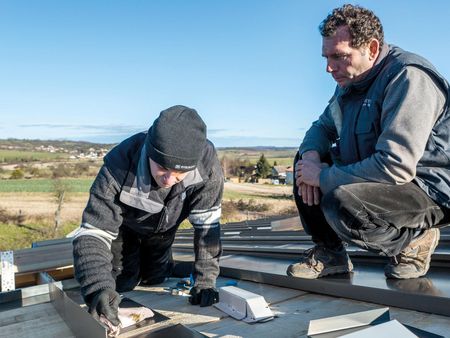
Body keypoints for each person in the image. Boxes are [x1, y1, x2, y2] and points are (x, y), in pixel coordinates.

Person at [287, 4, 450, 280]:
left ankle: (416, 241)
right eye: (326, 57)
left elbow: (396, 167)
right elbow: (321, 127)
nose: (328, 67)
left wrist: (324, 177)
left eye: (339, 56)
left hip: (428, 188)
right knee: (304, 162)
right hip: (383, 181)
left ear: (372, 49)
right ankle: (331, 253)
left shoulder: (408, 77)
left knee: (341, 202)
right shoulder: (349, 85)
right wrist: (312, 158)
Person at [73, 105, 223, 326]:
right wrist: (97, 289)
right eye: (163, 167)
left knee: (156, 277)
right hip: (126, 230)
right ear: (150, 150)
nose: (170, 180)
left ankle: (163, 266)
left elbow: (207, 229)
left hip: (164, 231)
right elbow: (93, 233)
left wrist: (206, 281)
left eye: (181, 172)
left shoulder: (207, 166)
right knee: (123, 284)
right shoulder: (118, 165)